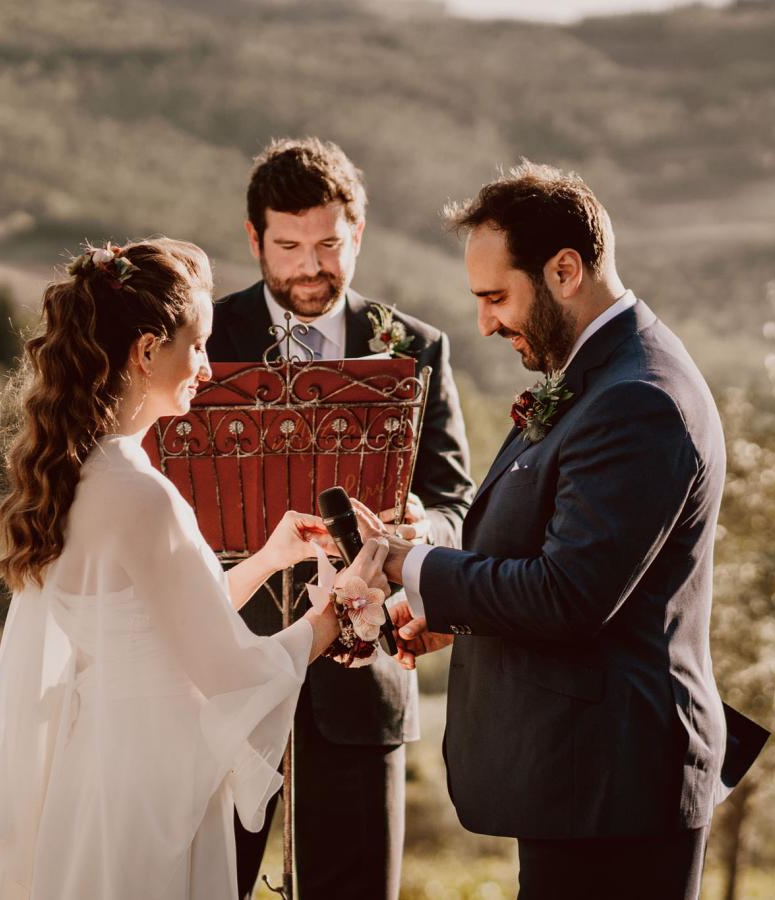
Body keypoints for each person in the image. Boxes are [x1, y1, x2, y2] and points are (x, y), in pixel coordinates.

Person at [0, 238, 391, 898]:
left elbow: (157, 623)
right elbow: (231, 672)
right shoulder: (142, 495)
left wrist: (270, 560)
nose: (208, 369)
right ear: (147, 350)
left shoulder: (77, 473)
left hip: (89, 775)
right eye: (198, 344)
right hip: (149, 789)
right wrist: (333, 614)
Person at [383, 161, 766, 899]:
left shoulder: (639, 398)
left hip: (617, 791)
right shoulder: (598, 375)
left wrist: (415, 566)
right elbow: (547, 552)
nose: (486, 322)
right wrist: (449, 612)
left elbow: (568, 595)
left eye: (497, 297)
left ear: (565, 270)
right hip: (581, 781)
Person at [207, 137, 475, 899]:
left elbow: (458, 501)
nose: (310, 266)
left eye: (328, 244)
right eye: (288, 246)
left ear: (357, 234)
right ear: (255, 239)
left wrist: (425, 525)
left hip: (362, 689)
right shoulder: (202, 344)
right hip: (223, 675)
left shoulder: (418, 347)